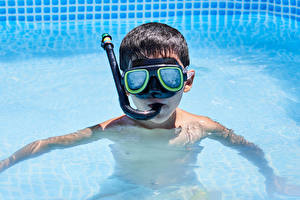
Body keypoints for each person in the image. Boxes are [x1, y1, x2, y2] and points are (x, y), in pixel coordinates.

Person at [0, 22, 299, 199]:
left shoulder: (202, 127)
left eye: (169, 79)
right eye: (140, 81)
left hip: (186, 191)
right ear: (123, 84)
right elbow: (48, 144)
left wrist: (271, 177)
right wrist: (5, 164)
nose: (154, 92)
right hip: (124, 191)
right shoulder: (115, 129)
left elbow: (247, 148)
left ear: (188, 81)